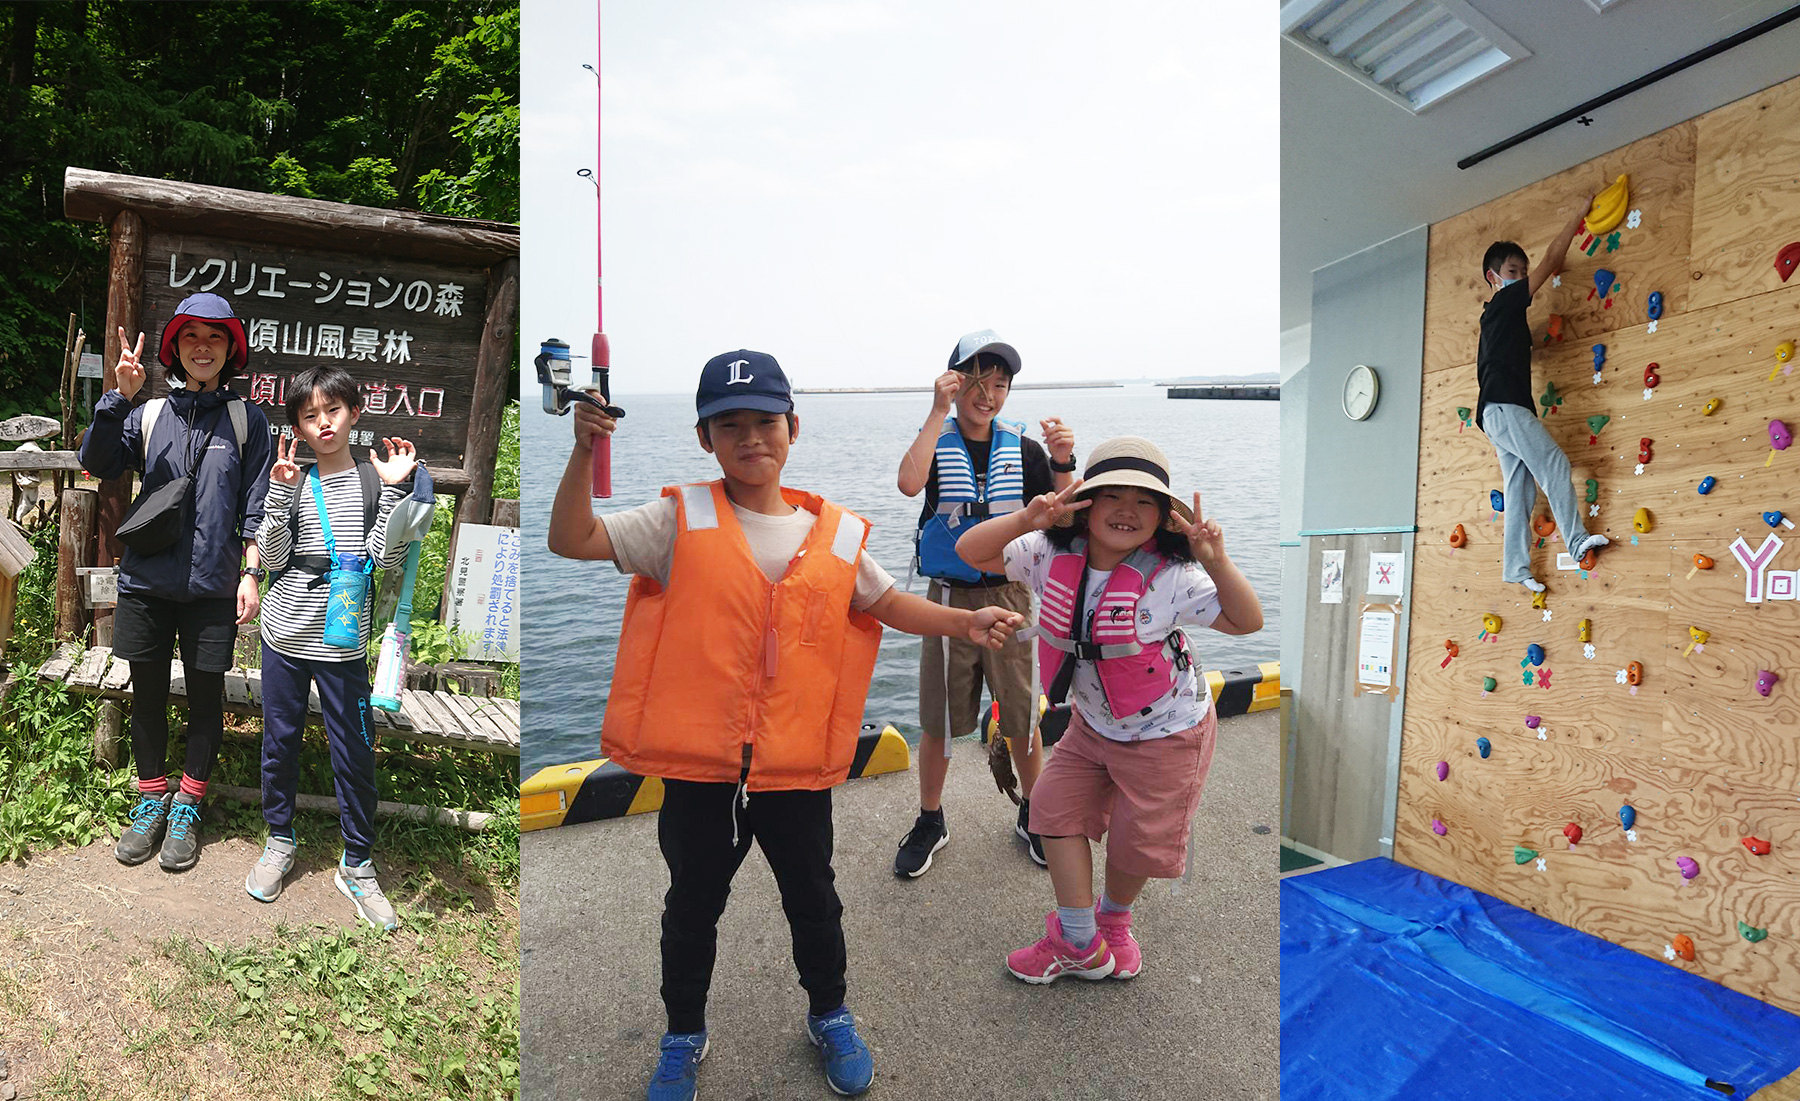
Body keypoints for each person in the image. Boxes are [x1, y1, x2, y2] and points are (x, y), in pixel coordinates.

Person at [547, 349, 1025, 1101]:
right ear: (706, 438)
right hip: (702, 772)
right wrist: (583, 449)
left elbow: (888, 603)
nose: (749, 437)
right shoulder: (677, 518)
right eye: (728, 424)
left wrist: (967, 626)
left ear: (792, 428)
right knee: (692, 906)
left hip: (796, 769)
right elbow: (571, 538)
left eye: (765, 421)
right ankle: (682, 1033)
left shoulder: (832, 534)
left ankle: (830, 1013)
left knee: (813, 897)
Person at [955, 437, 1263, 984]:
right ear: (1085, 504)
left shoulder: (1174, 577)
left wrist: (1218, 561)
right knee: (1050, 808)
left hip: (1168, 732)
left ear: (1164, 517)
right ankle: (1079, 942)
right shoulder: (1045, 554)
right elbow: (971, 552)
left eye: (1144, 501)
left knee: (1134, 842)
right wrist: (1029, 515)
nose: (1126, 510)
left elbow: (1246, 621)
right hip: (1092, 725)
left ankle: (1113, 924)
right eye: (1111, 495)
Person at [82, 292, 272, 873]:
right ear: (175, 348)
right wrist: (119, 398)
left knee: (207, 697)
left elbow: (257, 505)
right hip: (145, 583)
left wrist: (251, 571)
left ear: (231, 349)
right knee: (147, 694)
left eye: (216, 337)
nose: (203, 347)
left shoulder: (247, 420)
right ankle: (150, 800)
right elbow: (100, 461)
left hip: (213, 587)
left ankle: (188, 803)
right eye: (192, 336)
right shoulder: (149, 413)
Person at [893, 329, 1075, 876]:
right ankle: (931, 819)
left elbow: (1067, 520)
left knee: (1021, 717)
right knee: (939, 722)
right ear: (955, 381)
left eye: (1000, 385)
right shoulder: (937, 436)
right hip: (948, 601)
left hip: (1012, 597)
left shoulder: (1024, 450)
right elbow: (908, 484)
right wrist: (935, 411)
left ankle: (1034, 813)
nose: (988, 395)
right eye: (978, 381)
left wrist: (1064, 460)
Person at [244, 366, 418, 931]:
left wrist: (392, 492)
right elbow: (270, 561)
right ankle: (279, 839)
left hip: (342, 645)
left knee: (355, 752)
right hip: (284, 634)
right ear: (296, 423)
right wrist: (279, 493)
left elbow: (384, 562)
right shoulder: (293, 478)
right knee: (280, 742)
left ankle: (358, 863)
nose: (323, 424)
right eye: (309, 416)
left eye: (333, 412)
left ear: (354, 413)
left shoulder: (373, 483)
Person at [1476, 201, 1610, 592]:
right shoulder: (1506, 300)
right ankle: (1576, 538)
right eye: (1513, 272)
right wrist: (1578, 214)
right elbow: (1552, 258)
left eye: (1522, 272)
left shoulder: (1495, 316)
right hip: (1505, 406)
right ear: (1494, 277)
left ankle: (1515, 569)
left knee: (1519, 489)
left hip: (1494, 413)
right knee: (1553, 461)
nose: (1521, 278)